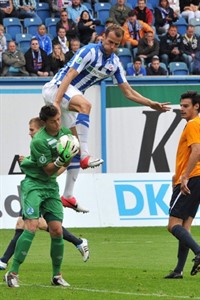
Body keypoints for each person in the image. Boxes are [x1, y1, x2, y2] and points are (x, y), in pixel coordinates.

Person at [42, 24, 170, 174]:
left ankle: (66, 194)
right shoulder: (89, 51)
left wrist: (151, 103)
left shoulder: (114, 64)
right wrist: (56, 102)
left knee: (73, 148)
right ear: (103, 37)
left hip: (70, 98)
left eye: (116, 44)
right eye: (109, 42)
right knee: (86, 106)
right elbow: (70, 74)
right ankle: (85, 155)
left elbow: (128, 92)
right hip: (56, 88)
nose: (112, 46)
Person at [4, 104, 81, 288]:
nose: (58, 123)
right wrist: (63, 159)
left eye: (59, 119)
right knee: (30, 226)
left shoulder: (62, 132)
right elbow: (48, 170)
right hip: (35, 186)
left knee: (57, 230)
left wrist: (71, 154)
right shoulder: (38, 141)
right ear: (45, 123)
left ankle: (57, 276)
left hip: (51, 187)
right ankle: (12, 272)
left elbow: (70, 154)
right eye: (54, 121)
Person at [164, 91, 200, 279]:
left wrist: (184, 176)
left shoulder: (193, 124)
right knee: (185, 226)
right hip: (196, 179)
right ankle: (178, 270)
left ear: (196, 107)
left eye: (186, 106)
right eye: (181, 105)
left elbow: (197, 150)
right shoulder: (195, 124)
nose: (181, 109)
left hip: (191, 178)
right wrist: (177, 176)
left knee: (173, 225)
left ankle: (198, 251)